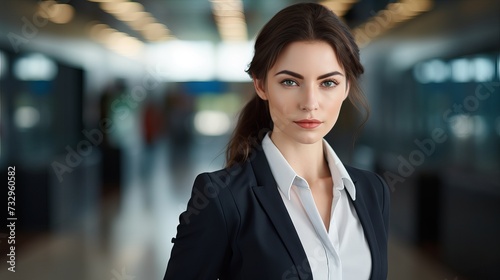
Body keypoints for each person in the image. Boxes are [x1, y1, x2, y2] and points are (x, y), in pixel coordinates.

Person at [164, 3, 389, 279]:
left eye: (327, 83)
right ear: (260, 84)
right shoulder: (221, 198)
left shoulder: (371, 191)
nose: (310, 103)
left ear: (347, 87)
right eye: (290, 82)